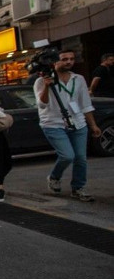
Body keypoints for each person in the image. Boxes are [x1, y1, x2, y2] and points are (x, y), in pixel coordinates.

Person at [34, 49, 102, 202]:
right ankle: (54, 177)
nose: (69, 62)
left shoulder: (78, 79)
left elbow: (85, 104)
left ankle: (78, 188)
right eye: (64, 59)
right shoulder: (41, 81)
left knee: (81, 158)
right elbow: (42, 104)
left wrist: (93, 125)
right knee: (67, 156)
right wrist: (47, 86)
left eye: (71, 59)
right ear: (54, 62)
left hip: (78, 122)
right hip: (53, 123)